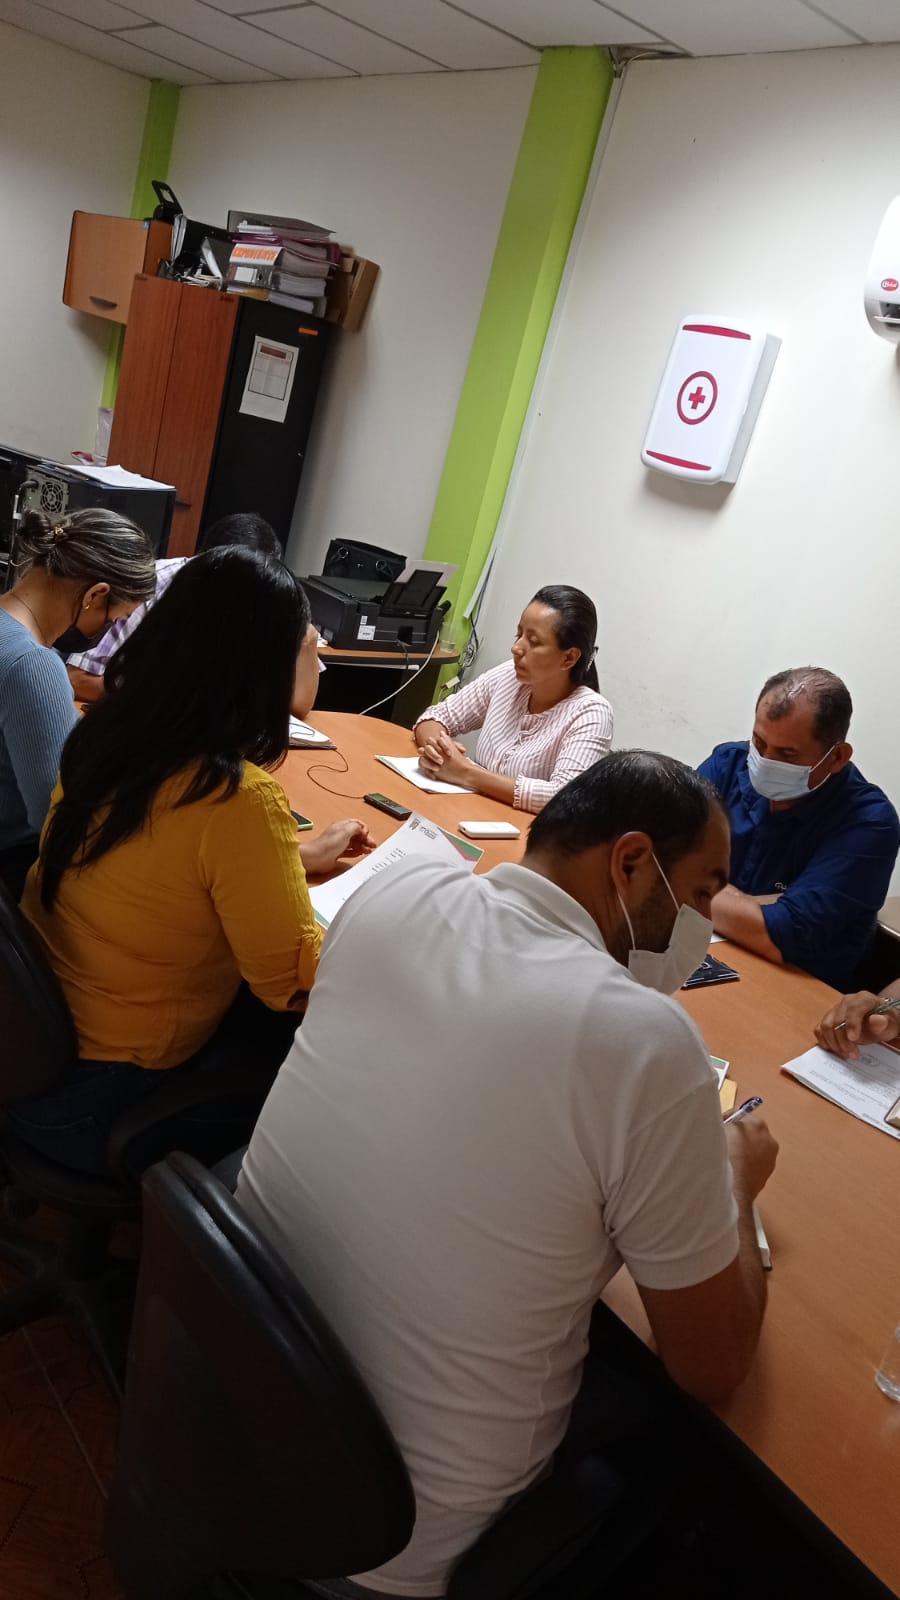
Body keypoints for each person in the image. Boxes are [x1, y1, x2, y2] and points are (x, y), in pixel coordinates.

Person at [237, 750, 777, 1599]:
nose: (703, 924)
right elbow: (712, 1367)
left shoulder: (397, 890)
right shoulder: (643, 1042)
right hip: (397, 1540)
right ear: (632, 863)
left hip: (235, 1413)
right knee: (695, 1458)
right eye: (702, 894)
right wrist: (735, 1185)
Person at [15, 549, 374, 1175]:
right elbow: (287, 983)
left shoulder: (104, 739)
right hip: (97, 1099)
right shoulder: (236, 799)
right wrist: (381, 921)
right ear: (263, 672)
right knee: (316, 1063)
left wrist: (293, 858)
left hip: (27, 1049)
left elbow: (163, 866)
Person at [698, 667, 900, 990]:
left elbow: (784, 934)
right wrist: (758, 905)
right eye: (759, 743)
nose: (764, 761)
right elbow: (659, 859)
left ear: (836, 757)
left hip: (797, 990)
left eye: (786, 754)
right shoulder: (729, 763)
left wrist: (693, 889)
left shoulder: (869, 822)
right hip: (710, 952)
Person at [0, 507, 156, 898]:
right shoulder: (32, 665)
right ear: (95, 595)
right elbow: (59, 821)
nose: (108, 632)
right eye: (116, 619)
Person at [65, 512, 321, 717]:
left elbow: (297, 706)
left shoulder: (268, 598)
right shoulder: (146, 588)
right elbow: (77, 680)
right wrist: (167, 692)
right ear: (202, 564)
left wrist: (306, 640)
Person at [412, 585, 613, 812]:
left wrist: (466, 773)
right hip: (468, 813)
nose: (516, 648)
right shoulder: (509, 675)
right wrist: (440, 752)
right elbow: (437, 716)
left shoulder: (591, 713)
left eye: (533, 641)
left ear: (569, 658)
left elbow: (565, 799)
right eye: (519, 635)